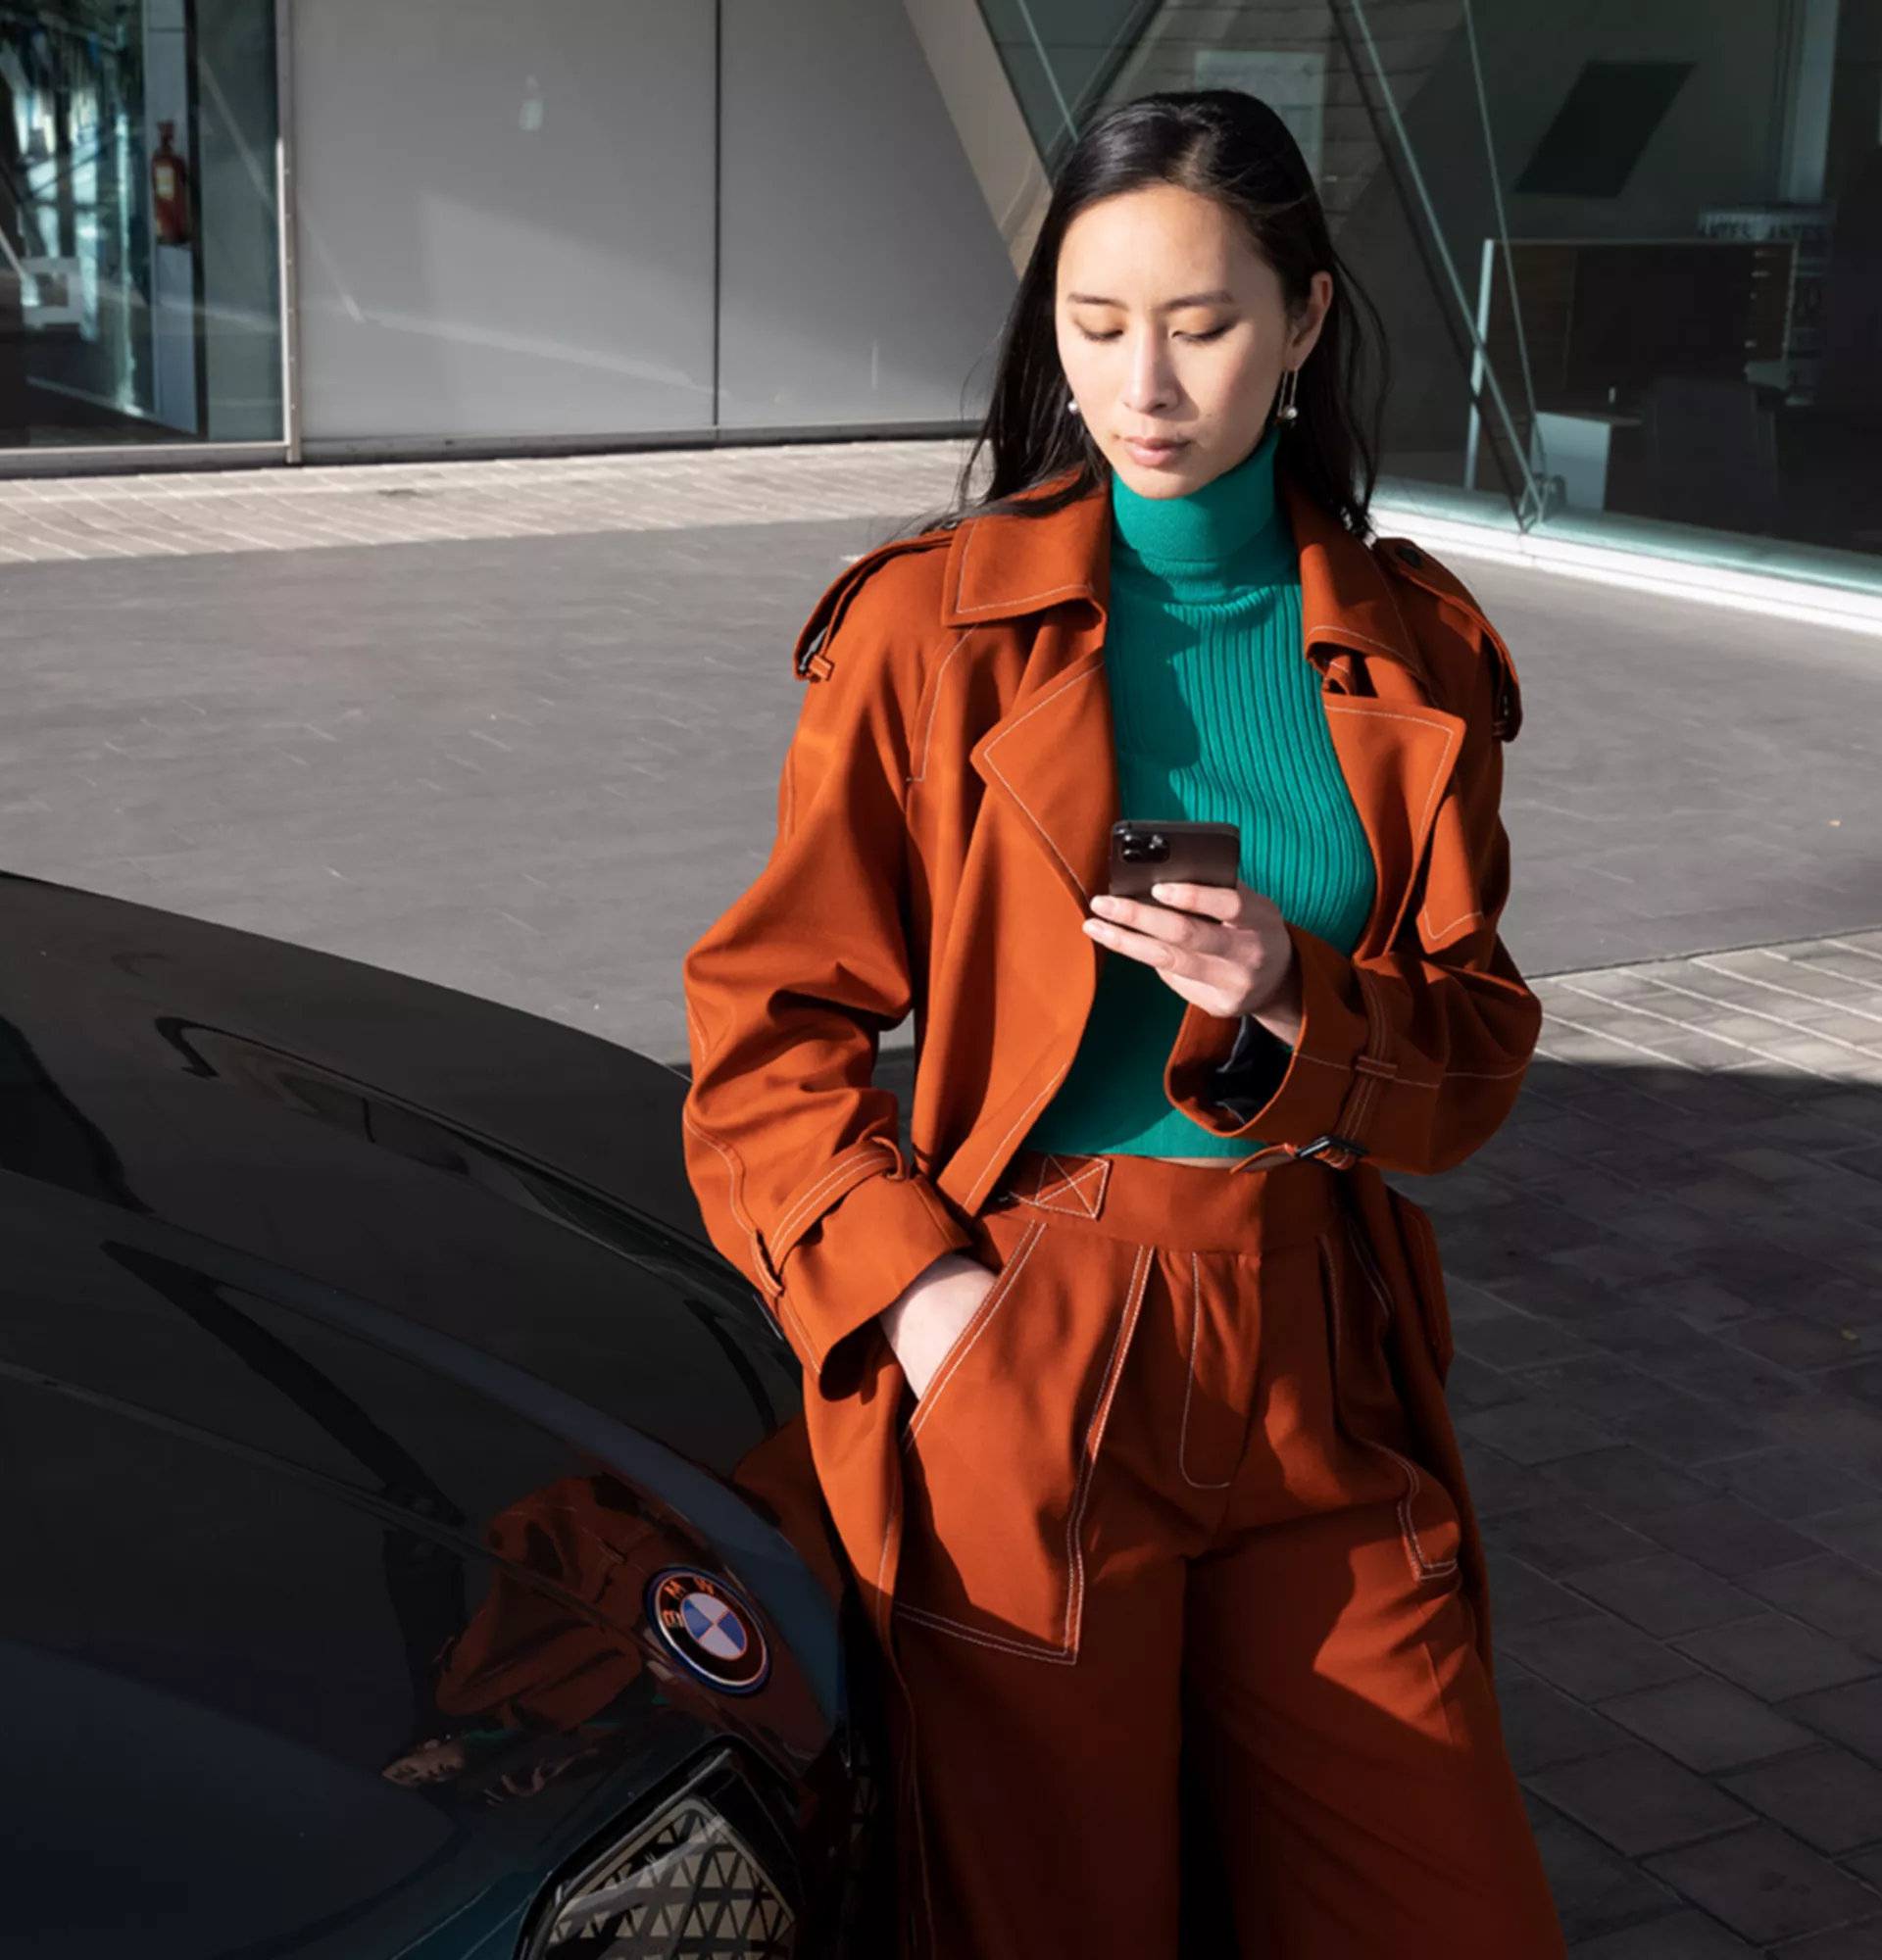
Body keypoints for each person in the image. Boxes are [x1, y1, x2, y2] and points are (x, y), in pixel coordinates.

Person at [680, 88, 1564, 1960]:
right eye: (1095, 329)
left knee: (1448, 1903)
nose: (1141, 384)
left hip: (1318, 1341)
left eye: (1201, 322)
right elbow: (770, 1034)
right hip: (1034, 1338)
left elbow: (1469, 1056)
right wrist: (929, 1312)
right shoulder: (934, 629)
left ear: (1307, 321)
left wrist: (1293, 1007)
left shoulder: (1413, 649)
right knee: (1056, 1919)